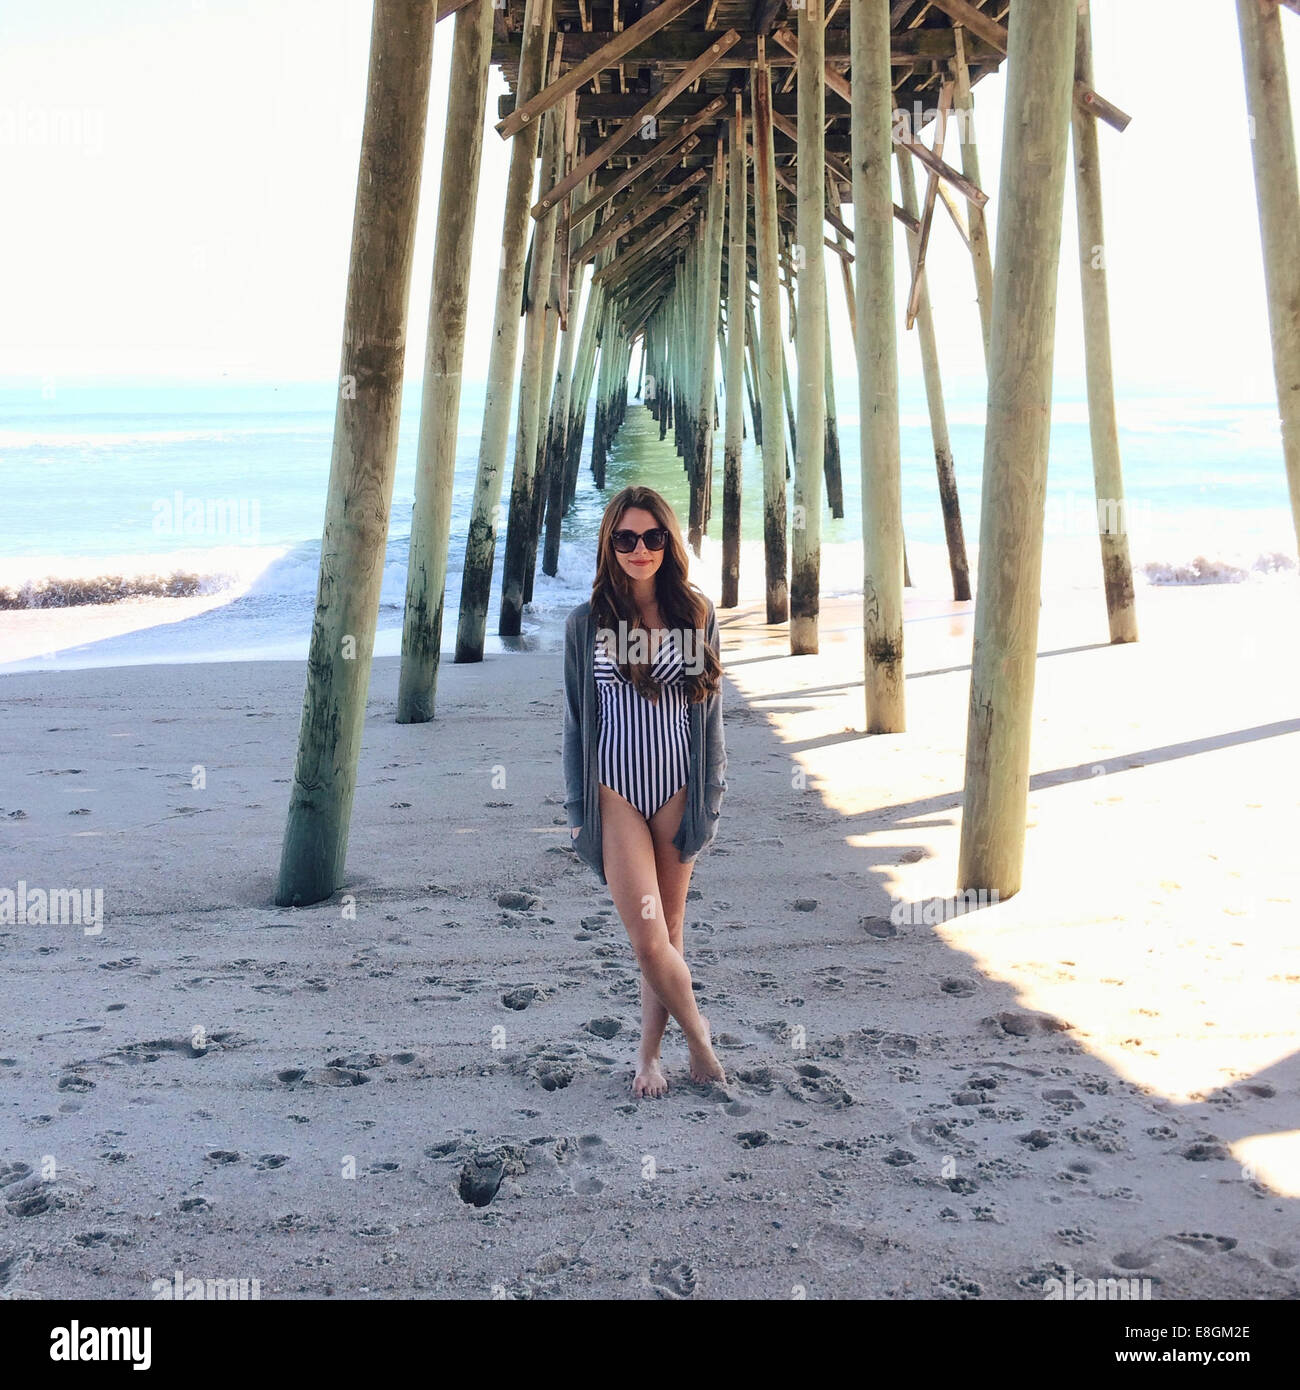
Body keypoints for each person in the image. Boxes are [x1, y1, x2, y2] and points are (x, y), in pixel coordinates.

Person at [562, 486, 728, 1098]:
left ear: (669, 542)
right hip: (617, 794)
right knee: (649, 936)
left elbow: (709, 723)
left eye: (653, 537)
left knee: (671, 933)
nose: (640, 550)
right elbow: (577, 727)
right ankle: (701, 1039)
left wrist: (710, 800)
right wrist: (578, 815)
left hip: (677, 791)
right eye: (626, 538)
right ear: (611, 543)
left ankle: (649, 1058)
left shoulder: (696, 614)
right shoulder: (590, 623)